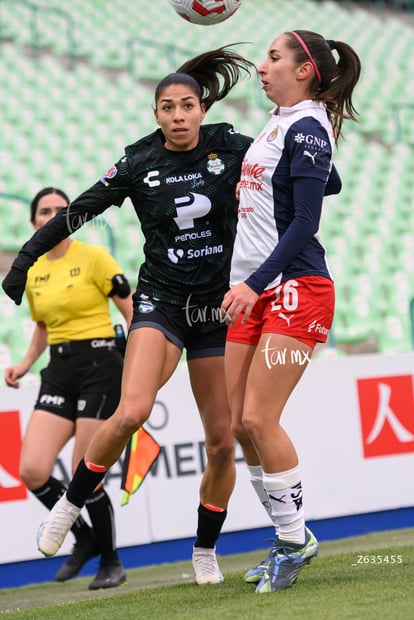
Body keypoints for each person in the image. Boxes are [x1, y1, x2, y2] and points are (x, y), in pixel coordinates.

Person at [2, 46, 255, 585]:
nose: (179, 115)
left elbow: (306, 180)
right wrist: (25, 257)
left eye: (187, 105)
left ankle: (205, 549)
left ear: (202, 110)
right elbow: (80, 209)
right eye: (168, 107)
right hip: (161, 302)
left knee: (221, 440)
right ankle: (69, 507)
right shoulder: (139, 161)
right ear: (156, 114)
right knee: (132, 410)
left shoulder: (232, 147)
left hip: (216, 309)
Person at [220, 30, 361, 594]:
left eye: (274, 57)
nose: (262, 66)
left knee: (258, 419)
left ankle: (295, 541)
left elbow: (306, 221)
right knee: (237, 426)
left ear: (305, 70)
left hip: (295, 287)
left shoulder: (305, 124)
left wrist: (255, 283)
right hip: (255, 288)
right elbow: (329, 181)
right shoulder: (284, 124)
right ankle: (287, 537)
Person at [4, 187, 132, 590]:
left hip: (101, 365)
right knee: (33, 469)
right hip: (59, 369)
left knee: (86, 471)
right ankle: (84, 539)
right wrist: (25, 363)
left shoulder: (94, 257)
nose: (55, 215)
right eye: (46, 211)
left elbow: (133, 312)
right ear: (34, 223)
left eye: (63, 209)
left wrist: (137, 366)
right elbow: (42, 325)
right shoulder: (34, 270)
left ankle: (110, 560)